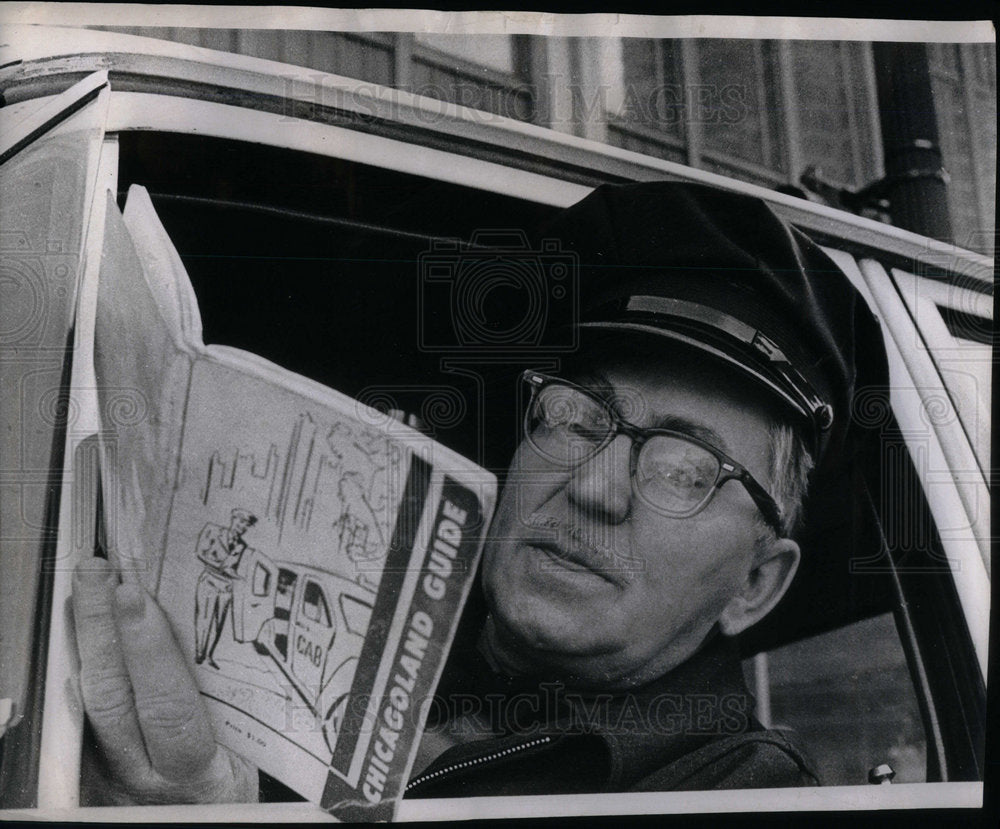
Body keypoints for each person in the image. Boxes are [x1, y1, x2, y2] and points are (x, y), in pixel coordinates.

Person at [72, 182, 888, 803]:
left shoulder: (739, 793)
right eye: (578, 413)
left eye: (685, 467)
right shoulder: (343, 642)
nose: (594, 489)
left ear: (756, 581)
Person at [193, 508, 257, 669]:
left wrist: (238, 577)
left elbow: (234, 567)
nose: (242, 527)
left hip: (226, 587)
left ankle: (209, 656)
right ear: (233, 519)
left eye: (246, 525)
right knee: (204, 618)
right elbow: (201, 553)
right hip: (209, 580)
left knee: (218, 623)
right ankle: (199, 653)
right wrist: (221, 568)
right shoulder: (213, 530)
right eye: (240, 521)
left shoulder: (242, 546)